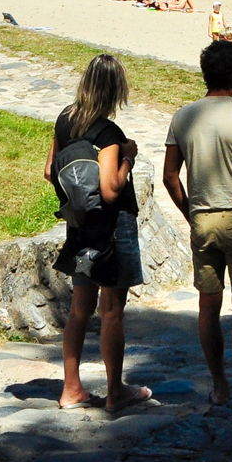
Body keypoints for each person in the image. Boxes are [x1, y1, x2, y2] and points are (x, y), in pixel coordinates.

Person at [163, 39, 232, 405]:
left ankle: (218, 383)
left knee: (208, 306)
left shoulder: (183, 116)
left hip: (202, 220)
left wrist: (190, 212)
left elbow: (170, 176)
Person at [45, 54, 150, 412]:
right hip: (112, 229)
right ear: (115, 90)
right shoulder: (108, 133)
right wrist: (128, 157)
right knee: (111, 311)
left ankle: (71, 389)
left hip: (80, 225)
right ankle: (115, 392)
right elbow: (110, 188)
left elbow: (50, 170)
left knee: (79, 309)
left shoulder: (65, 120)